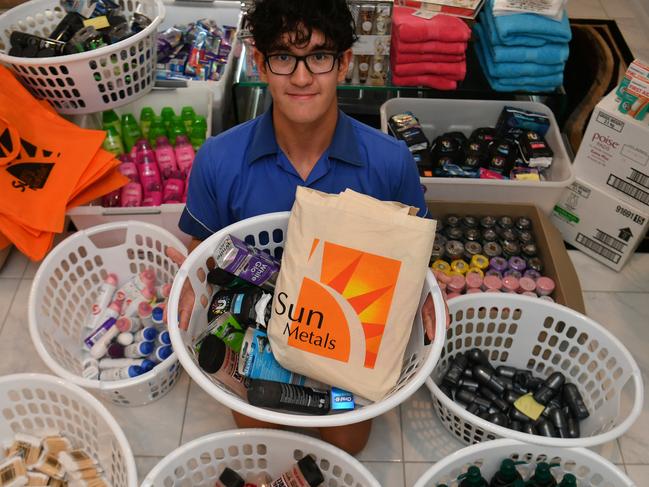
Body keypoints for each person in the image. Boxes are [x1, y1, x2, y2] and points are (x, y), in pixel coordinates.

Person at [166, 0, 446, 455]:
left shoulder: (390, 162)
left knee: (349, 441)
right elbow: (205, 247)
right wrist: (188, 287)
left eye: (318, 56)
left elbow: (412, 256)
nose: (300, 77)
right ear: (260, 64)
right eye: (283, 57)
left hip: (349, 335)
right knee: (259, 435)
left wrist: (427, 299)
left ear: (345, 64)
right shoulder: (218, 160)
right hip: (253, 336)